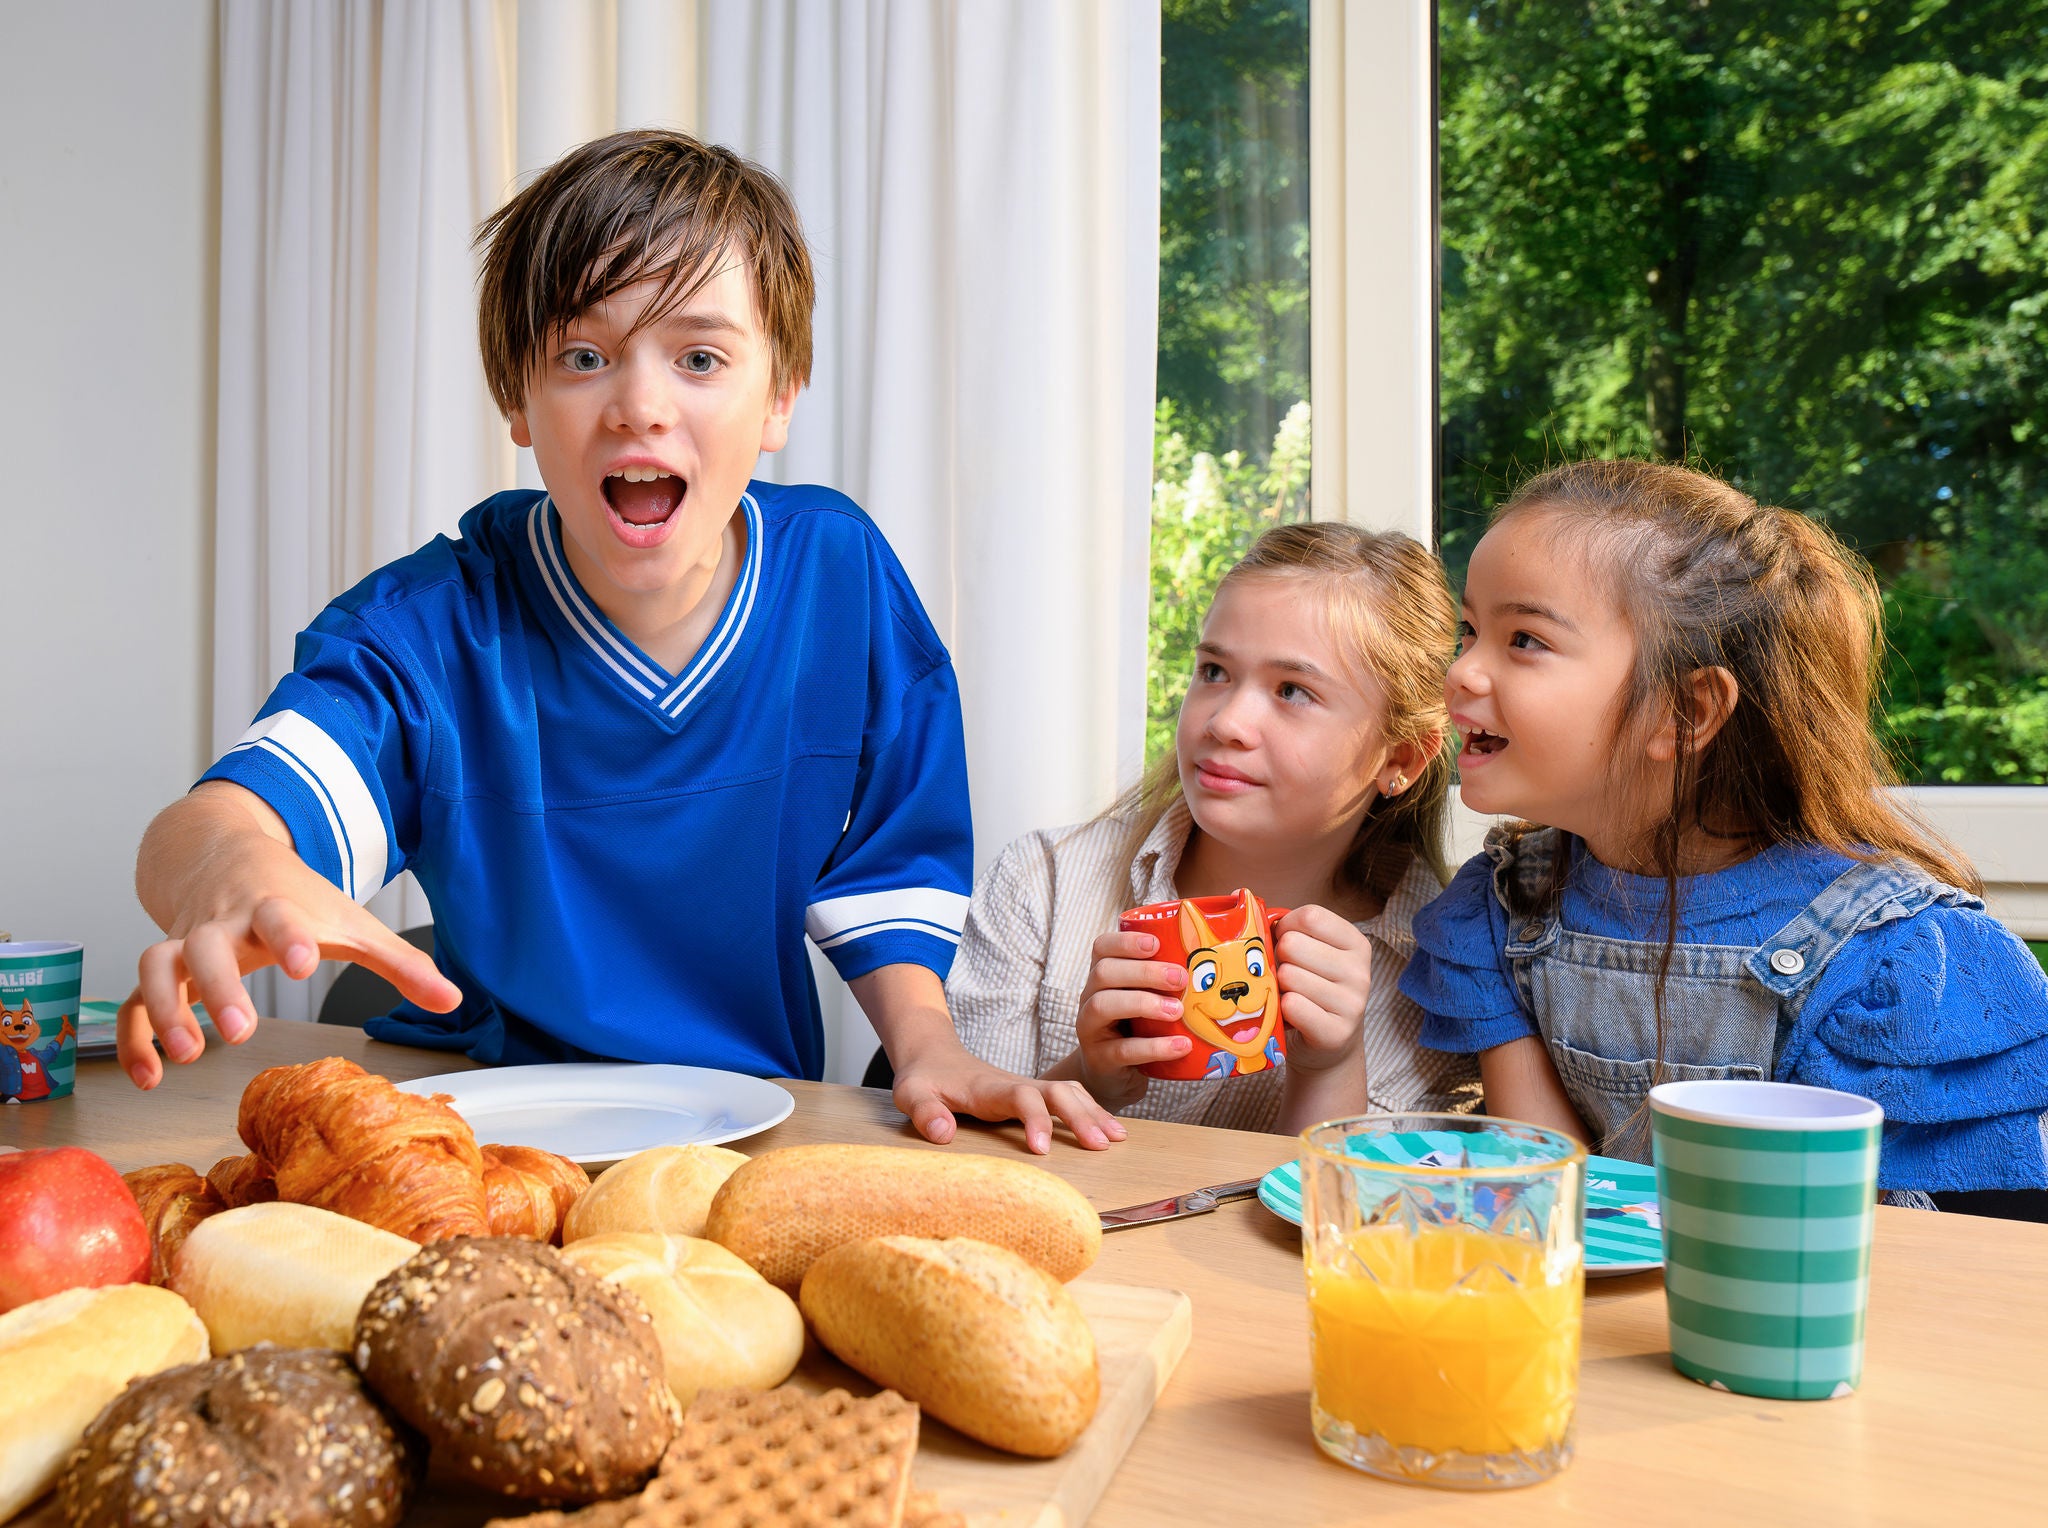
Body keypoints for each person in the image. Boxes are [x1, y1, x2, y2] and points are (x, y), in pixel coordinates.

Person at [118, 129, 1120, 1155]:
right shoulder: (427, 629)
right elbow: (203, 828)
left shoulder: (839, 574)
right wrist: (235, 871)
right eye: (584, 358)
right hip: (485, 1126)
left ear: (779, 396)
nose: (639, 407)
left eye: (699, 358)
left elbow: (890, 858)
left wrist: (927, 1044)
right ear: (517, 398)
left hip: (745, 1128)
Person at [1402, 459, 2048, 1209]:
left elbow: (1925, 1248)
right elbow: (1550, 1191)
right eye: (1470, 631)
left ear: (1687, 712)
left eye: (1524, 640)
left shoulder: (1888, 963)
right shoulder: (1500, 910)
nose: (1461, 672)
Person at [950, 523, 1481, 1134]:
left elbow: (1336, 1196)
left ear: (1401, 758)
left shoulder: (1441, 977)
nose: (1226, 721)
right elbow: (955, 1159)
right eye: (1214, 671)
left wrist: (1329, 1069)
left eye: (1292, 691)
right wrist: (1091, 1078)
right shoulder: (1043, 882)